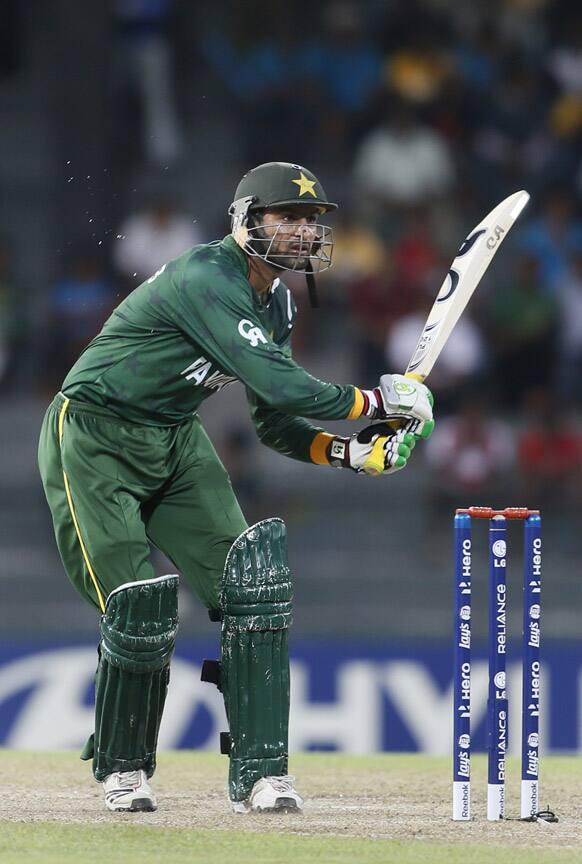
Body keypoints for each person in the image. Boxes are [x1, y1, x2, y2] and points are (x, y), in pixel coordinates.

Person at [37, 162, 434, 815]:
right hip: (94, 433)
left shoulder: (276, 301)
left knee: (254, 585)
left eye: (312, 221)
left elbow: (274, 423)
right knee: (138, 606)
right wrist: (378, 397)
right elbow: (285, 386)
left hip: (172, 434)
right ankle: (123, 770)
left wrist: (347, 452)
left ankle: (261, 774)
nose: (306, 233)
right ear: (247, 221)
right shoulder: (206, 278)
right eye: (290, 218)